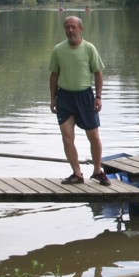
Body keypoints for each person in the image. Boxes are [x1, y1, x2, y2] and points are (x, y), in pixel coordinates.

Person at [48, 15, 110, 185]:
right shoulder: (58, 50)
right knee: (67, 138)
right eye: (67, 27)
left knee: (94, 137)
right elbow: (54, 76)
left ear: (81, 29)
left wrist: (98, 97)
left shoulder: (89, 49)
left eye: (73, 27)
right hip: (64, 97)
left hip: (85, 97)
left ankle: (97, 171)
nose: (70, 30)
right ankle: (77, 173)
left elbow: (98, 74)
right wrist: (53, 98)